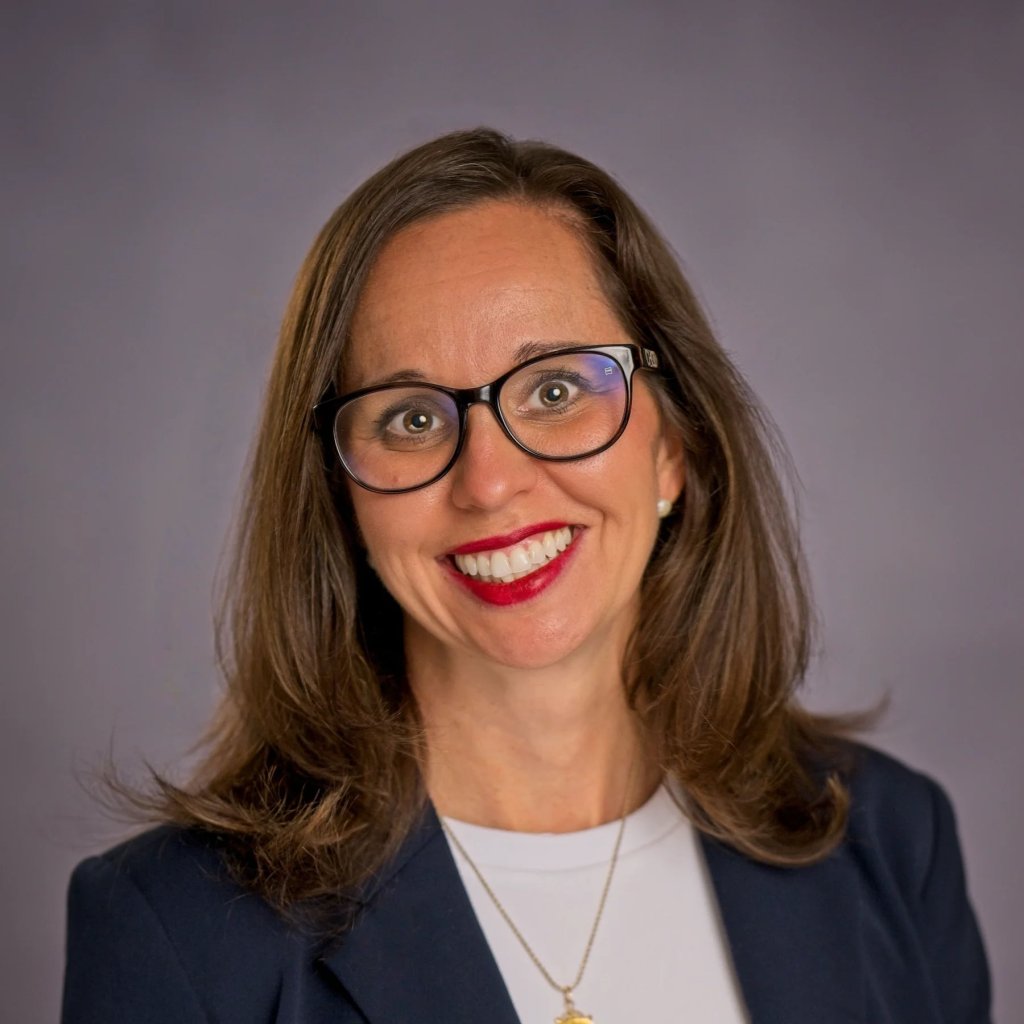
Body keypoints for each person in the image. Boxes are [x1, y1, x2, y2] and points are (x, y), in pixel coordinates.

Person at [62, 128, 991, 1023]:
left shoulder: (888, 841)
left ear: (674, 446)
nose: (491, 483)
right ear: (341, 498)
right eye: (411, 418)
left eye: (555, 390)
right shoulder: (174, 930)